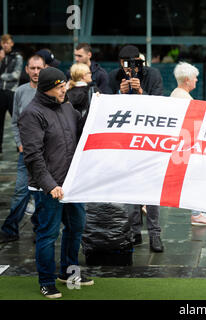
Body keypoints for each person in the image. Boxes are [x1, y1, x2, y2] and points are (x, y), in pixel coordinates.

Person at [18, 67, 94, 299]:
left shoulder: (66, 106)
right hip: (49, 188)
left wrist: (94, 110)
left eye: (65, 86)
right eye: (61, 87)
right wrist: (50, 185)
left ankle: (69, 274)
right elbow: (33, 156)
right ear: (48, 88)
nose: (65, 90)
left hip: (71, 184)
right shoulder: (32, 114)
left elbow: (80, 132)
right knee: (48, 233)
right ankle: (46, 281)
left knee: (75, 228)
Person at [109, 45, 164, 252]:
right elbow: (105, 105)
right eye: (126, 66)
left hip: (149, 139)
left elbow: (161, 107)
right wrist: (119, 94)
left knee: (151, 189)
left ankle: (155, 234)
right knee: (130, 187)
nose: (130, 70)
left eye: (134, 65)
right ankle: (133, 231)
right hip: (126, 140)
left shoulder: (153, 74)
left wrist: (141, 91)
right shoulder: (114, 76)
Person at [0, 55, 45, 243]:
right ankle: (10, 229)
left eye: (39, 68)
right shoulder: (20, 91)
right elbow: (15, 121)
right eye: (32, 68)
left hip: (44, 153)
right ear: (26, 69)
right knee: (21, 191)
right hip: (25, 152)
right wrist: (19, 143)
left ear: (45, 68)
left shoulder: (50, 91)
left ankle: (40, 229)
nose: (35, 72)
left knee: (41, 193)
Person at [170, 61, 206, 226]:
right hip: (186, 146)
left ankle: (198, 211)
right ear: (187, 80)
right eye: (195, 78)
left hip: (186, 145)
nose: (197, 80)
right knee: (197, 177)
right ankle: (197, 213)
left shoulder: (177, 95)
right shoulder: (182, 98)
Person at [0, 34, 23, 154]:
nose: (5, 45)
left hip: (12, 91)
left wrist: (1, 76)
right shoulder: (1, 56)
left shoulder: (17, 57)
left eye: (7, 42)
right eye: (3, 43)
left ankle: (19, 146)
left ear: (12, 43)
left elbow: (16, 75)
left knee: (16, 120)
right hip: (0, 92)